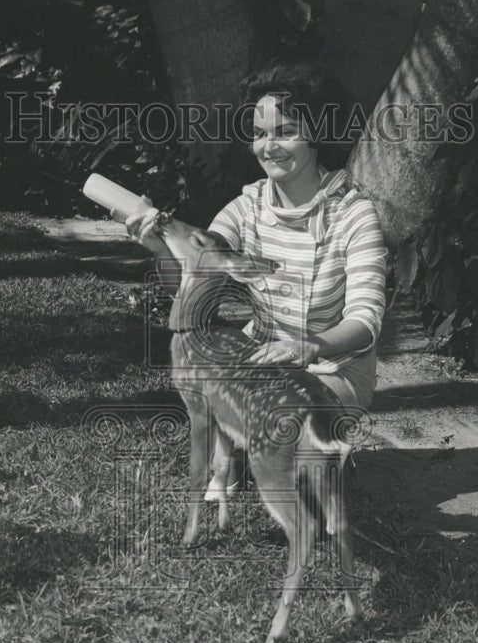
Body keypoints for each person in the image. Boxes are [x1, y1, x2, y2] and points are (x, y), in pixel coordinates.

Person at [126, 57, 388, 414]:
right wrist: (161, 246)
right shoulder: (247, 207)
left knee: (288, 419)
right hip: (263, 362)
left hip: (334, 370)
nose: (269, 146)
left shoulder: (353, 215)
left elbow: (365, 320)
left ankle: (322, 455)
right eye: (260, 134)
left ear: (317, 132)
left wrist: (309, 346)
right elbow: (197, 281)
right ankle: (233, 463)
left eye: (285, 131)